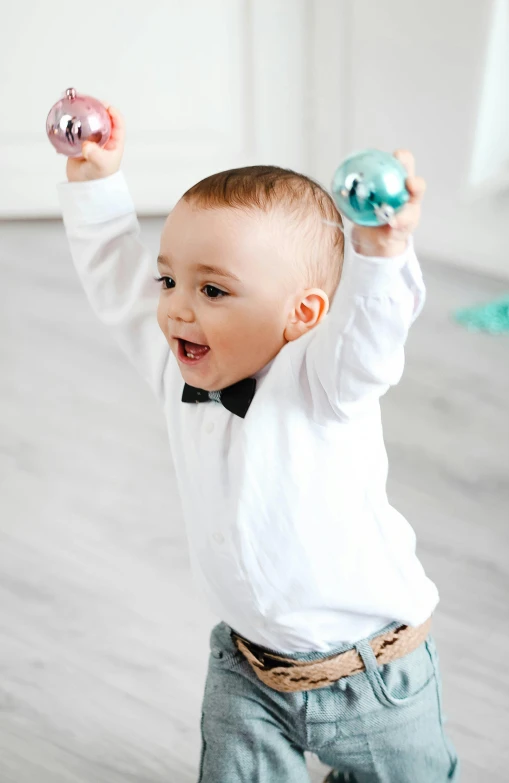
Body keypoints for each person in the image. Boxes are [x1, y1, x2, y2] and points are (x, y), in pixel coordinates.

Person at [57, 104, 459, 783]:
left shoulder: (326, 381)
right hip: (249, 670)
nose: (178, 307)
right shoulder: (175, 360)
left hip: (376, 676)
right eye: (172, 280)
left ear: (302, 314)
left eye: (213, 288)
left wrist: (381, 253)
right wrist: (96, 182)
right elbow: (119, 284)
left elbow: (369, 337)